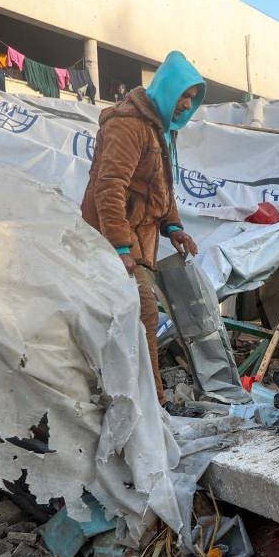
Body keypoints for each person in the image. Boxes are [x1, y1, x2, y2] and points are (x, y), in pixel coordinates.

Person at [81, 51, 204, 405]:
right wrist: (119, 246)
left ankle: (144, 405)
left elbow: (160, 188)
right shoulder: (127, 125)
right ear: (167, 89)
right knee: (143, 316)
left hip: (137, 242)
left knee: (135, 319)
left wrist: (174, 227)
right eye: (183, 95)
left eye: (192, 99)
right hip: (116, 241)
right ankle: (154, 408)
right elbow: (110, 187)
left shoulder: (156, 128)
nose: (186, 104)